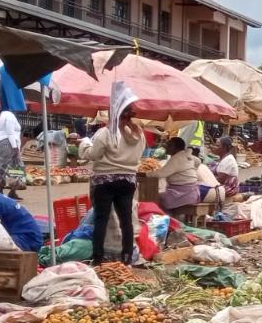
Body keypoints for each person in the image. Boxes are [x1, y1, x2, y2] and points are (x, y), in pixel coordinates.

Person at [79, 105, 146, 265]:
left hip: (105, 181)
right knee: (126, 220)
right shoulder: (139, 134)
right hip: (128, 181)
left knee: (101, 218)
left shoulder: (105, 133)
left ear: (112, 115)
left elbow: (94, 154)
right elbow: (139, 151)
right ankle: (127, 256)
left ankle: (98, 257)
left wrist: (84, 146)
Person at [150, 137, 205, 213]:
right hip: (192, 193)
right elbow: (198, 161)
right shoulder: (186, 155)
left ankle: (169, 219)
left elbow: (160, 174)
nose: (167, 147)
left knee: (156, 198)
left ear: (176, 148)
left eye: (169, 145)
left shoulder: (177, 158)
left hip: (183, 194)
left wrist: (145, 174)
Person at [0, 108, 22, 197]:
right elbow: (10, 133)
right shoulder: (9, 115)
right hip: (9, 144)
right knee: (17, 167)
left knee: (0, 168)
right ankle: (12, 191)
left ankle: (0, 191)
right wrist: (15, 148)